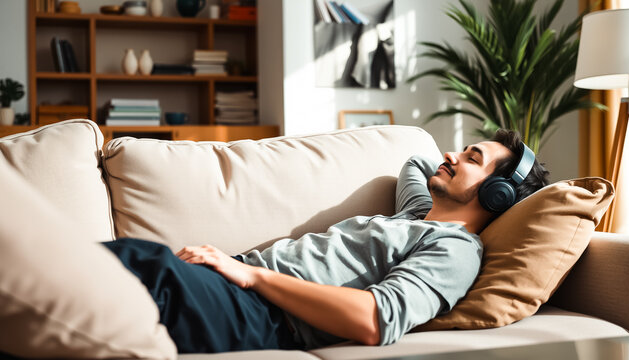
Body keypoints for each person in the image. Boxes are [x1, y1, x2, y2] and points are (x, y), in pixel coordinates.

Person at [102, 129, 550, 353]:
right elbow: (417, 159)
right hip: (236, 284)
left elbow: (376, 319)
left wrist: (252, 276)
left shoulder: (455, 248)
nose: (452, 156)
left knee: (147, 268)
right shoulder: (416, 214)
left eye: (472, 158)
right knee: (127, 267)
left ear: (497, 195)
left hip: (267, 313)